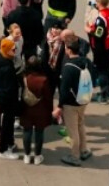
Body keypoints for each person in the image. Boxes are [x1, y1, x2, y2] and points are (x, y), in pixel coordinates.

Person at [56, 33, 93, 166]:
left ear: (69, 50)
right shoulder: (86, 62)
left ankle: (75, 156)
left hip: (71, 103)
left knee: (73, 131)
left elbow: (64, 90)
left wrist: (59, 106)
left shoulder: (68, 67)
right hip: (84, 99)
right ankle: (84, 150)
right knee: (80, 125)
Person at [19, 52, 54, 164]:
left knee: (27, 131)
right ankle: (37, 156)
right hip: (41, 109)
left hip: (26, 108)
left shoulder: (24, 77)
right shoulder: (44, 79)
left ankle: (27, 155)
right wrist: (50, 111)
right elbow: (48, 97)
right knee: (39, 132)